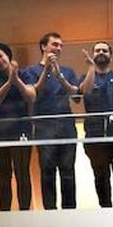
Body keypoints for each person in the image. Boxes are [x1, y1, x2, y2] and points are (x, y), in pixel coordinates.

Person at [23, 32, 80, 210]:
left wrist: (59, 75)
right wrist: (46, 70)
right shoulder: (30, 71)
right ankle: (49, 211)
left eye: (60, 46)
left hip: (66, 125)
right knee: (47, 170)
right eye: (55, 44)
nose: (58, 48)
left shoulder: (68, 71)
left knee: (68, 170)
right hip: (44, 126)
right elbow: (32, 95)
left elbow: (76, 97)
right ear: (43, 47)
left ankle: (70, 211)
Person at [0, 42, 36, 211]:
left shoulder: (24, 74)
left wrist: (16, 79)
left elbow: (31, 96)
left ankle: (24, 211)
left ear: (7, 56)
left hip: (22, 130)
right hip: (1, 132)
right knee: (4, 174)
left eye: (0, 56)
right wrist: (8, 83)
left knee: (22, 172)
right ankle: (5, 212)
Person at [79, 42, 113, 208]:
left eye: (105, 50)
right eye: (97, 50)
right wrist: (90, 67)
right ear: (93, 54)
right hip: (95, 136)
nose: (101, 52)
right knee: (101, 176)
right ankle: (105, 209)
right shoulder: (87, 76)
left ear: (110, 55)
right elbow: (84, 90)